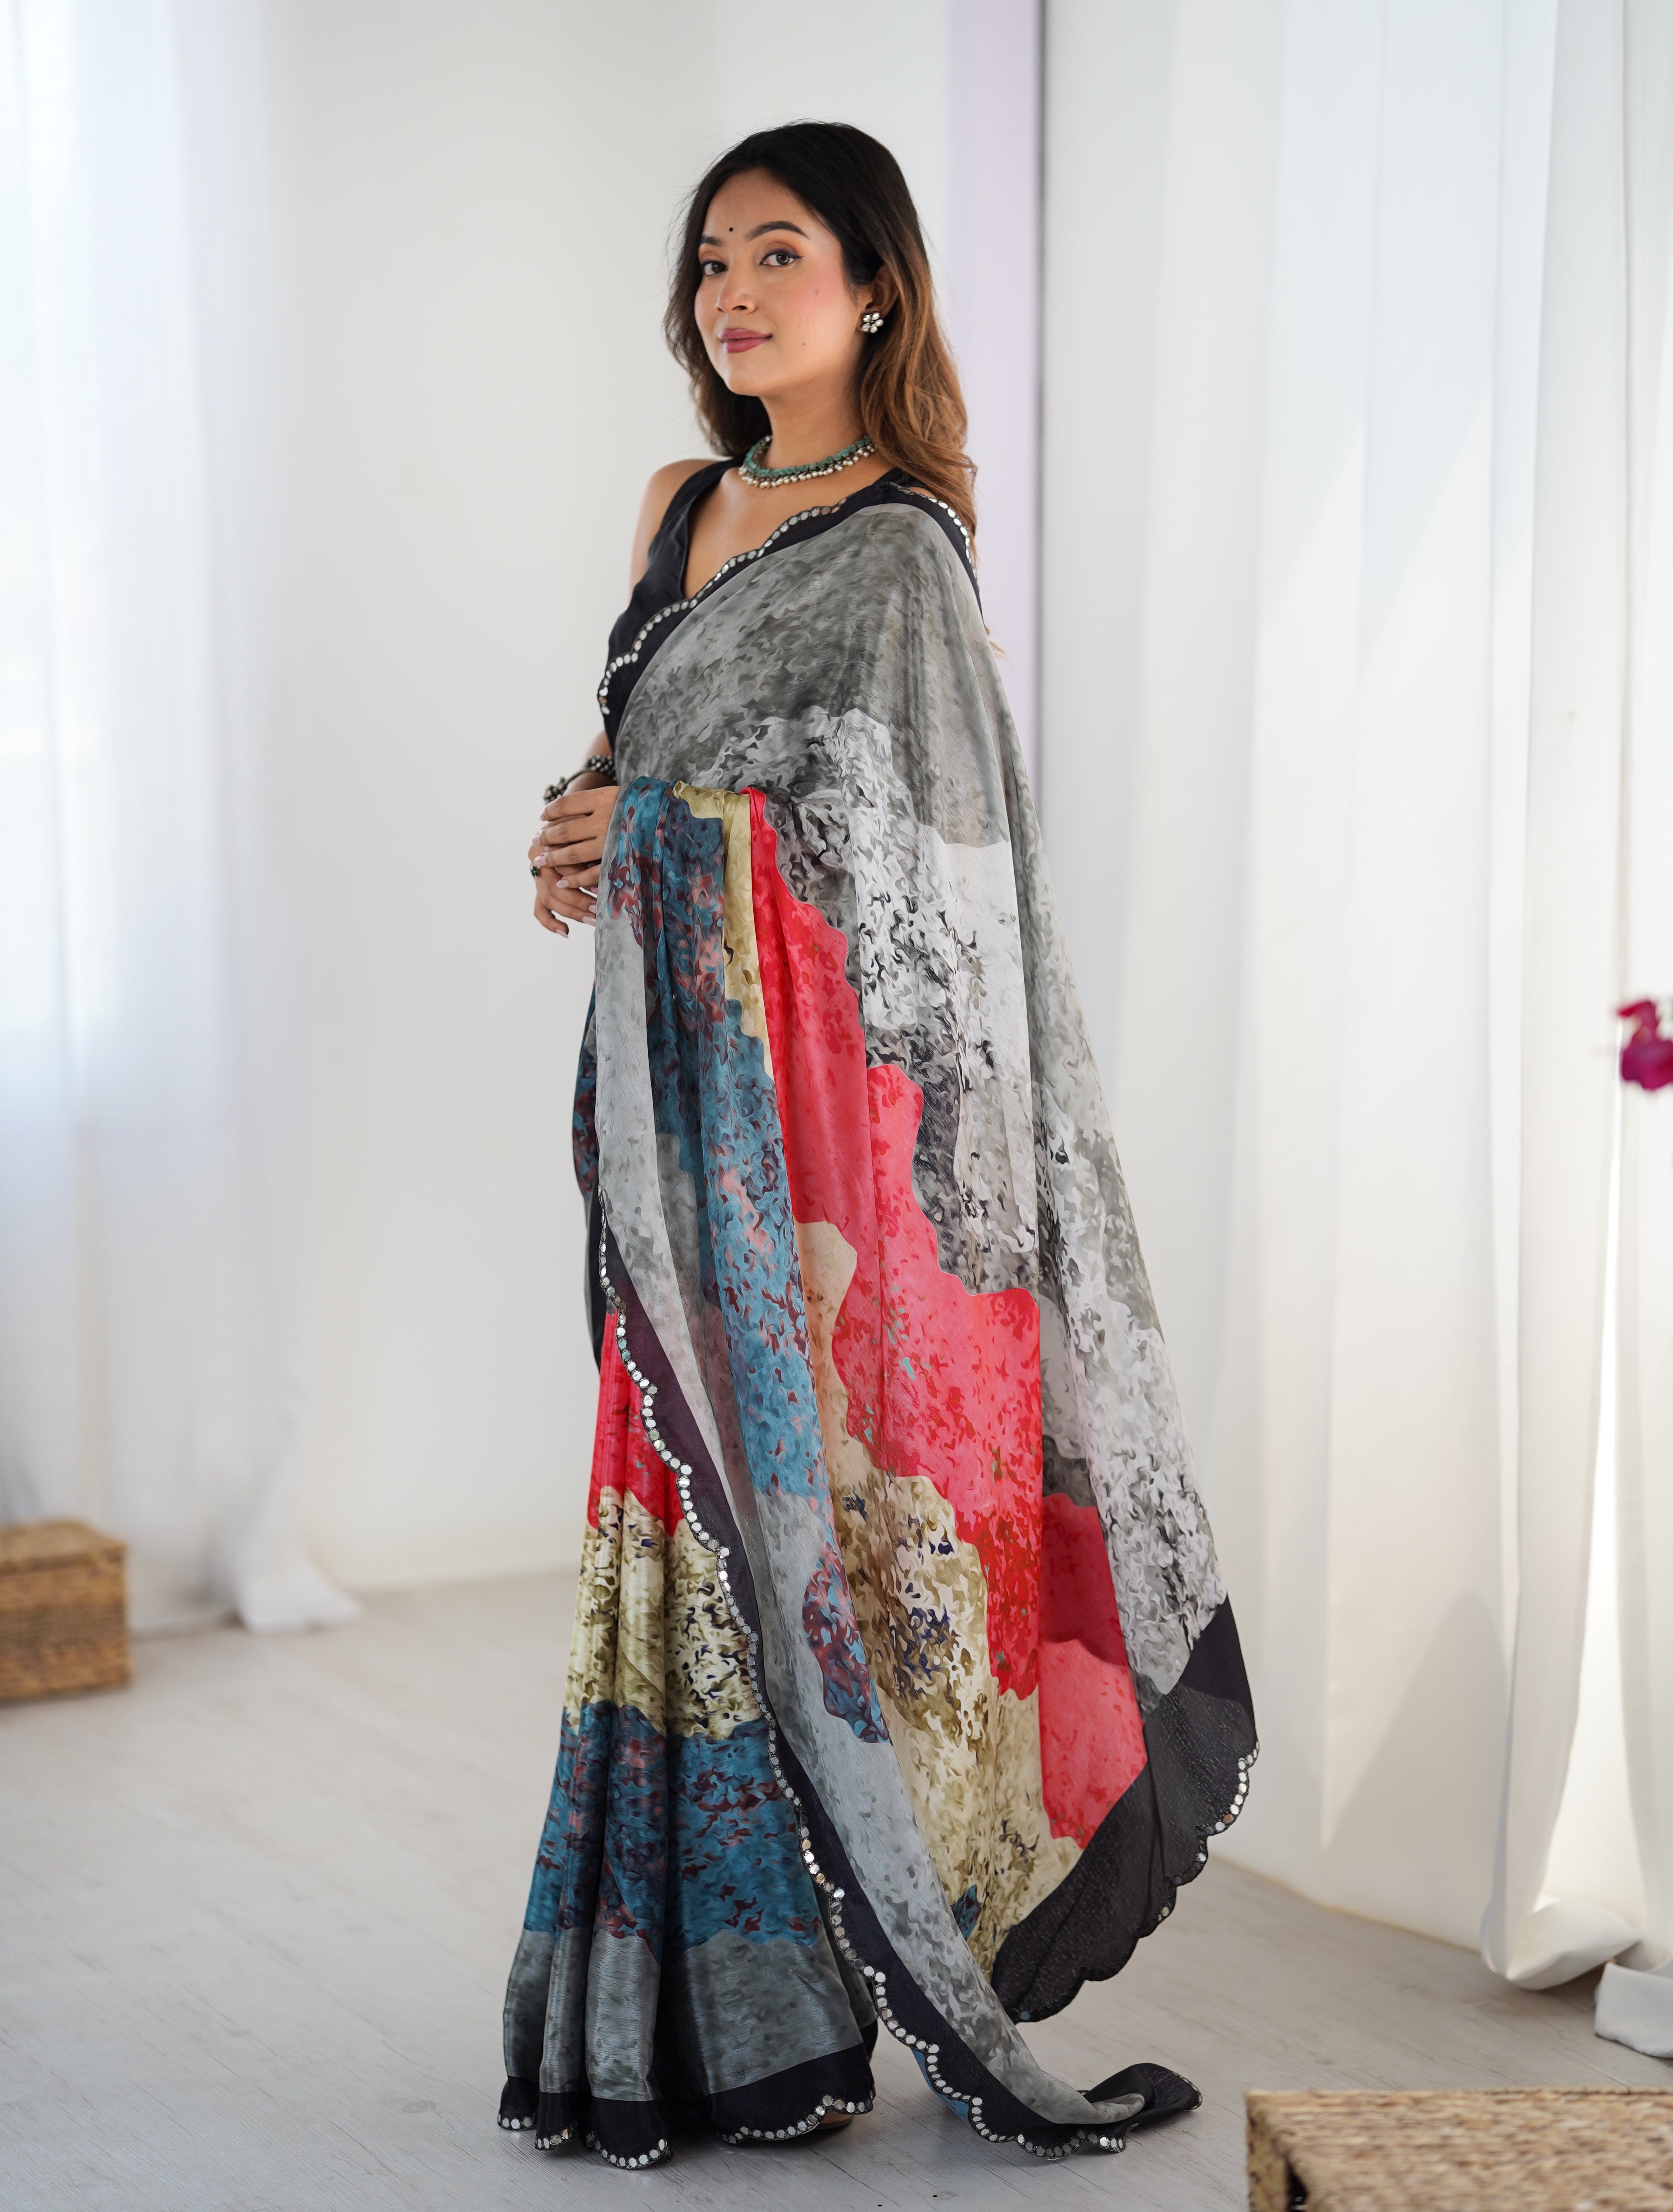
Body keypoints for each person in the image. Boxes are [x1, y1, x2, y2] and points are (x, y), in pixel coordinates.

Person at [501, 121, 1255, 2171]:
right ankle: (697, 2001)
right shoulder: (681, 502)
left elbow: (925, 876)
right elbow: (645, 749)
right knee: (670, 1529)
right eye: (712, 263)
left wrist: (662, 840)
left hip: (822, 1153)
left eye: (780, 255)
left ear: (876, 288)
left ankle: (855, 1963)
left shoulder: (909, 546)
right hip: (673, 1122)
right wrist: (587, 826)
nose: (735, 294)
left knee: (825, 1531)